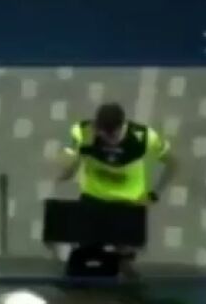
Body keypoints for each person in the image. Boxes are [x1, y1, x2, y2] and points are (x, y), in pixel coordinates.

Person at [57, 102, 177, 273]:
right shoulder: (82, 132)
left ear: (123, 127)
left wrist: (153, 195)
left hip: (128, 202)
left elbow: (173, 164)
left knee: (125, 259)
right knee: (84, 254)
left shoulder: (144, 137)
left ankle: (126, 273)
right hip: (93, 198)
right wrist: (80, 149)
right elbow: (65, 174)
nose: (108, 141)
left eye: (113, 136)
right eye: (103, 135)